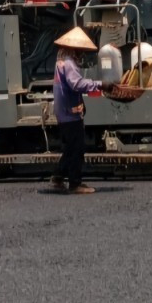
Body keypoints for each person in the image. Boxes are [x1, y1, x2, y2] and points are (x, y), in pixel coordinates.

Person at [50, 27, 107, 195]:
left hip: (64, 111)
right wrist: (99, 84)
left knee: (69, 148)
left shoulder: (61, 62)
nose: (82, 54)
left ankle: (58, 177)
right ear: (74, 49)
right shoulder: (69, 64)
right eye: (80, 51)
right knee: (76, 149)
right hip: (70, 113)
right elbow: (77, 84)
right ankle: (75, 183)